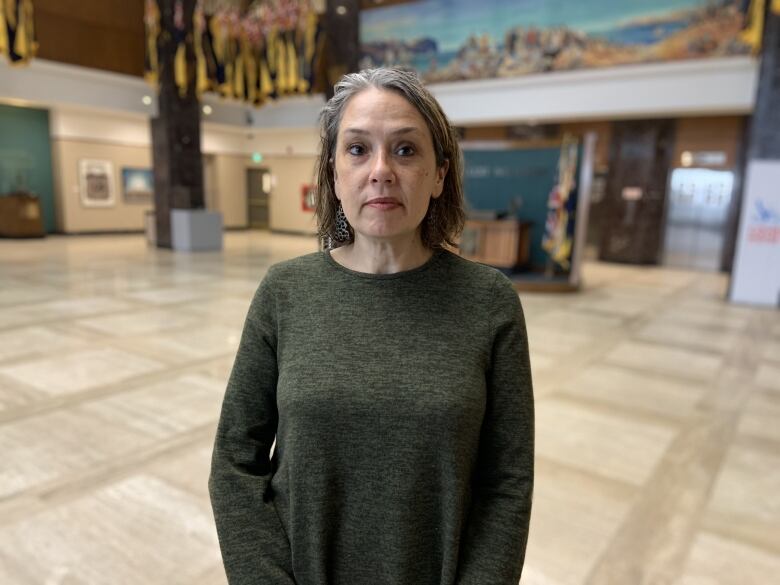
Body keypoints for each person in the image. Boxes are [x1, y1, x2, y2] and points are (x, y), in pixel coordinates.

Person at [209, 67, 534, 585]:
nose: (380, 170)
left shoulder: (489, 302)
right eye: (358, 149)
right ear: (335, 174)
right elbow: (234, 460)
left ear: (440, 174)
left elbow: (507, 483)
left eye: (406, 150)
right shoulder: (284, 292)